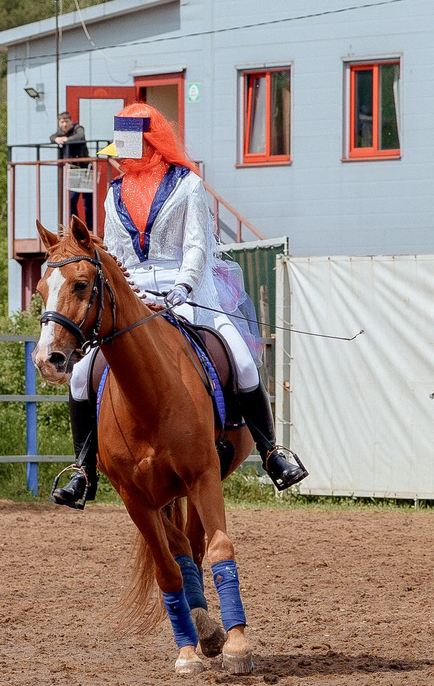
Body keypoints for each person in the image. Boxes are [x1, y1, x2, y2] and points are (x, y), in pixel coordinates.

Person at [50, 103, 308, 507]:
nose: (119, 161)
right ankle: (83, 470)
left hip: (186, 290)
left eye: (124, 151)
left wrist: (183, 286)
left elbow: (197, 244)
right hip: (133, 296)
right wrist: (129, 293)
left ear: (147, 146)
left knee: (241, 360)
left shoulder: (188, 185)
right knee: (81, 375)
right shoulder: (114, 194)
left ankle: (272, 452)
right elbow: (115, 254)